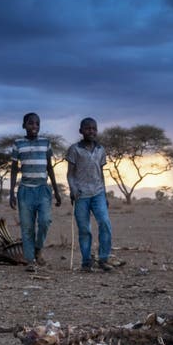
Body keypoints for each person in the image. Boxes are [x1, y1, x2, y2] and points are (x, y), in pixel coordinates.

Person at [9, 112, 62, 272]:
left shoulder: (46, 143)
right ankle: (30, 260)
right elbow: (13, 169)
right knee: (27, 227)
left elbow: (50, 168)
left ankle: (38, 249)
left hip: (43, 189)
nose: (34, 127)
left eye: (37, 124)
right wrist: (11, 192)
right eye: (31, 123)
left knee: (45, 222)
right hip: (25, 190)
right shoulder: (18, 144)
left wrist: (56, 191)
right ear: (24, 125)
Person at [64, 117, 113, 272]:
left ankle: (103, 259)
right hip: (81, 195)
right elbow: (70, 174)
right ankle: (86, 262)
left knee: (105, 224)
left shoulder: (101, 150)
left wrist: (104, 195)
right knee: (84, 229)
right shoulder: (74, 149)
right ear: (81, 131)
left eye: (94, 128)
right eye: (87, 128)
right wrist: (72, 189)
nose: (91, 131)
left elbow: (102, 174)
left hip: (98, 193)